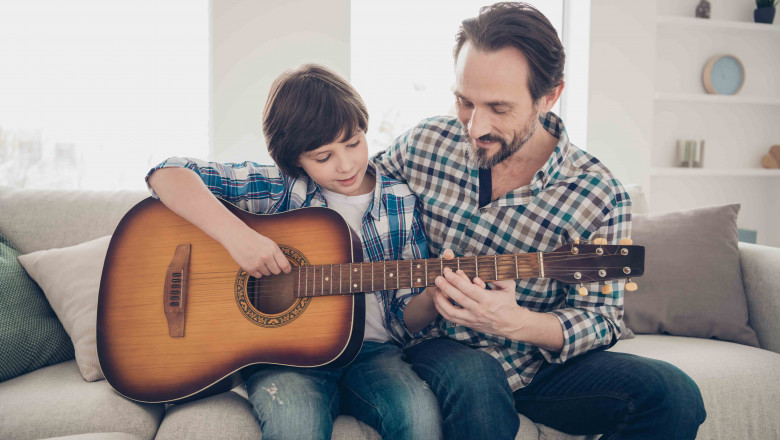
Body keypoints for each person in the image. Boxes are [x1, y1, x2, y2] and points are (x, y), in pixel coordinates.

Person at [373, 2, 707, 439]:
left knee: (673, 394)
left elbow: (602, 319)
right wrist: (250, 232)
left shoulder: (597, 193)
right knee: (476, 376)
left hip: (534, 365)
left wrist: (514, 323)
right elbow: (339, 190)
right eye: (464, 101)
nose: (475, 127)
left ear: (549, 96)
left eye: (499, 108)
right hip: (440, 348)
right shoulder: (426, 143)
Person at [145, 64, 442, 440]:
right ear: (295, 159)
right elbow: (167, 172)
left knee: (419, 418)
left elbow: (404, 319)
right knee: (295, 425)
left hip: (373, 354)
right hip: (284, 358)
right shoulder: (282, 188)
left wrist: (432, 296)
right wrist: (238, 238)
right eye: (323, 156)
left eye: (354, 143)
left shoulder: (400, 201)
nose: (347, 164)